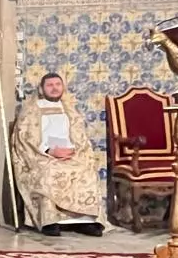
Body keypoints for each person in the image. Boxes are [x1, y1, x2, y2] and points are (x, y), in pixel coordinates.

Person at [10, 72, 106, 237]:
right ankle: (49, 221)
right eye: (50, 85)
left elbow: (80, 137)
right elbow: (25, 138)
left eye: (57, 84)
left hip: (70, 155)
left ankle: (84, 221)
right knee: (50, 172)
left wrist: (73, 151)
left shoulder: (69, 110)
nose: (54, 88)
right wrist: (49, 151)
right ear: (42, 89)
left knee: (86, 172)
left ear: (63, 87)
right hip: (42, 155)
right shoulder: (31, 110)